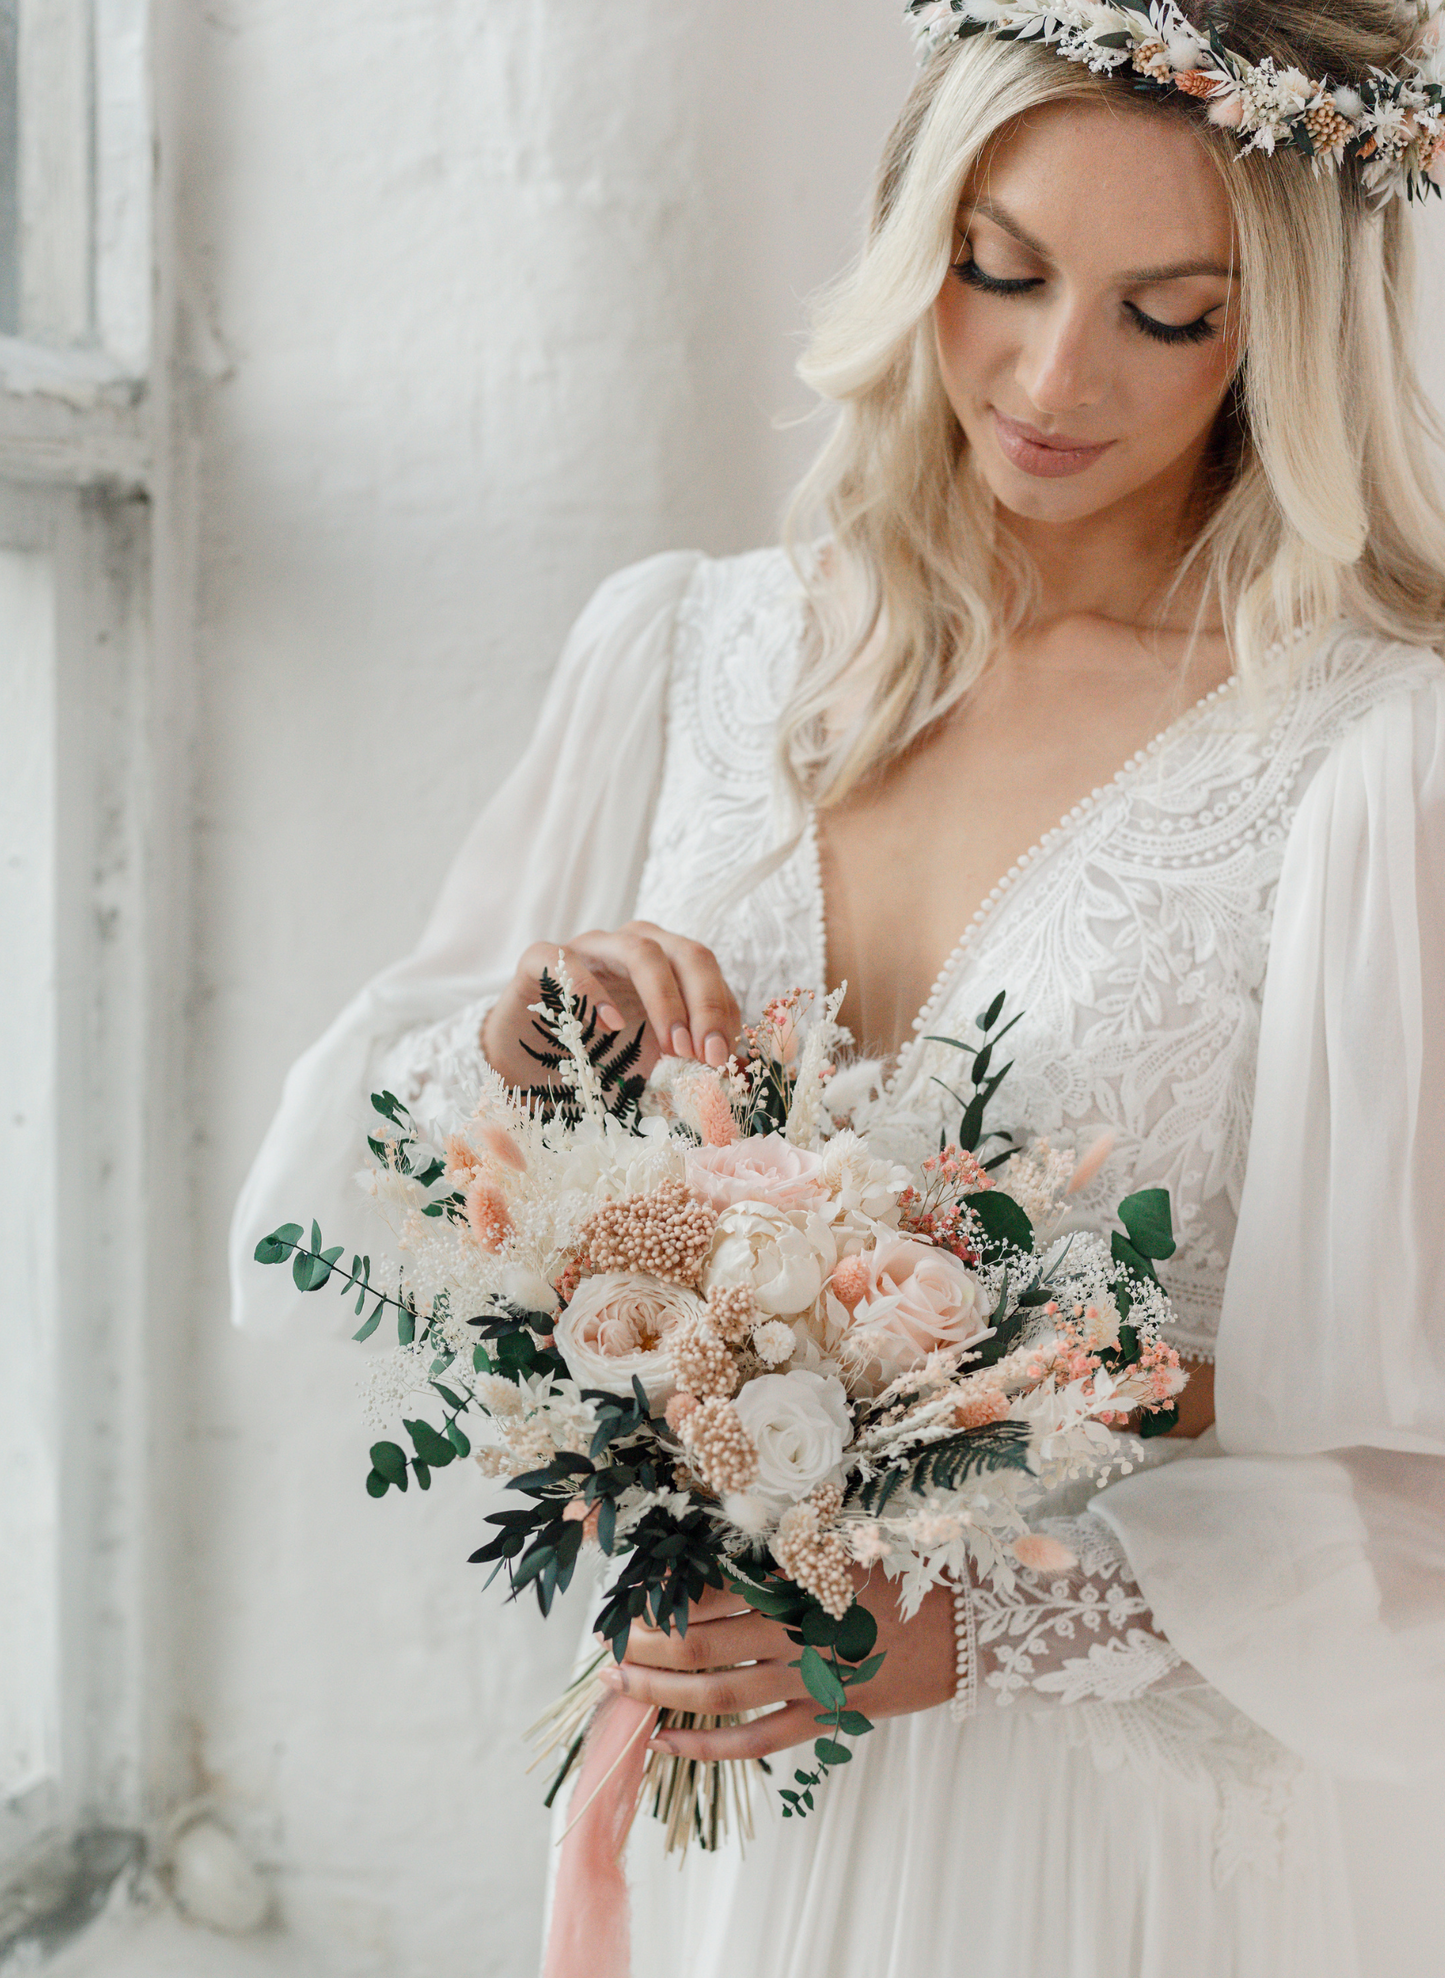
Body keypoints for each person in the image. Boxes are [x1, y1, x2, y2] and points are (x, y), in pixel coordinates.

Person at [232, 4, 1445, 1973]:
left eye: (1170, 312)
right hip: (718, 1779)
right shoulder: (683, 654)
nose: (1051, 375)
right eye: (1001, 267)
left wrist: (975, 1624)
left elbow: (1413, 1491)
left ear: (1280, 338)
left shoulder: (1370, 767)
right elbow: (337, 1186)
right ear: (914, 242)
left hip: (1088, 1830)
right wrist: (528, 1057)